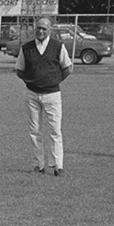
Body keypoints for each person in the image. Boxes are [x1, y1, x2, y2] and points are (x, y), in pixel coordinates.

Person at [14, 16, 72, 175]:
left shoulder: (58, 47)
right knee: (35, 131)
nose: (40, 31)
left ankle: (58, 165)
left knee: (55, 130)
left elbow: (67, 68)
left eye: (44, 29)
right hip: (32, 95)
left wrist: (53, 81)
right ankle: (38, 165)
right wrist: (32, 81)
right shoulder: (26, 48)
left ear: (50, 30)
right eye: (38, 28)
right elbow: (19, 70)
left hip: (52, 95)